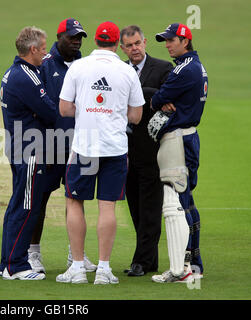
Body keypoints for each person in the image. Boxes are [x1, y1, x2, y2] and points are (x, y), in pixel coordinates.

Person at [57, 21, 144, 284]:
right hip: (115, 147)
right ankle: (104, 270)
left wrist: (86, 111)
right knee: (107, 207)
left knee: (75, 202)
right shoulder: (127, 71)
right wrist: (114, 114)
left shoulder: (78, 67)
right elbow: (137, 116)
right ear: (118, 43)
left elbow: (64, 108)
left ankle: (78, 268)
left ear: (95, 41)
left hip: (85, 145)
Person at [28, 18, 97, 274]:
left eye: (79, 37)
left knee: (76, 199)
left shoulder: (85, 65)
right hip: (48, 145)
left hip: (79, 145)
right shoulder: (44, 65)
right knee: (40, 199)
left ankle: (75, 255)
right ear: (59, 37)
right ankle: (33, 253)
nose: (76, 41)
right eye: (71, 37)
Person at [147, 23, 208, 283]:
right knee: (187, 202)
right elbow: (163, 96)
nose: (168, 44)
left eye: (172, 40)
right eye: (165, 41)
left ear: (185, 40)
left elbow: (159, 98)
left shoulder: (183, 69)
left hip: (178, 140)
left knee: (178, 205)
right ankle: (194, 264)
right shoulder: (196, 66)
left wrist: (156, 99)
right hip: (188, 137)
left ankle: (182, 268)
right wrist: (160, 97)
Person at [0, 26, 57, 280]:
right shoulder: (27, 77)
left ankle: (7, 262)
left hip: (17, 146)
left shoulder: (12, 73)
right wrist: (40, 114)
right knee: (26, 206)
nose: (46, 54)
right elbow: (52, 113)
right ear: (32, 49)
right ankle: (17, 265)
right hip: (30, 150)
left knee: (17, 205)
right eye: (43, 49)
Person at [119, 25, 173, 277]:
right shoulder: (118, 70)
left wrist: (141, 94)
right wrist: (152, 96)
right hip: (124, 152)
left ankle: (141, 261)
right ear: (122, 48)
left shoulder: (163, 68)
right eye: (129, 45)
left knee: (150, 208)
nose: (135, 49)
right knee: (135, 207)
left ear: (145, 42)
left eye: (138, 43)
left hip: (153, 150)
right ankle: (149, 260)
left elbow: (168, 101)